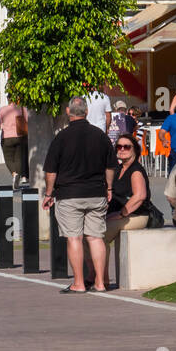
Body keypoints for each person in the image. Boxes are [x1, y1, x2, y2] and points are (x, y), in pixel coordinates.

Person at [42, 96, 115, 294]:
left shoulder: (61, 137)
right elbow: (110, 166)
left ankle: (79, 283)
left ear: (68, 112)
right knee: (95, 237)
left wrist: (49, 194)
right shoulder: (100, 135)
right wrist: (109, 188)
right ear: (87, 112)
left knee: (74, 238)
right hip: (96, 193)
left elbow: (51, 171)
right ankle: (100, 282)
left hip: (69, 194)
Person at [102, 134, 152, 286]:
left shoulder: (135, 170)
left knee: (99, 236)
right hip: (119, 215)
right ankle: (96, 276)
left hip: (137, 215)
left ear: (135, 150)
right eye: (119, 146)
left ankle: (101, 279)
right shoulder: (118, 169)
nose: (122, 149)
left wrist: (121, 213)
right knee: (92, 233)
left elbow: (139, 196)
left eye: (126, 147)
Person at [0, 100, 30, 188]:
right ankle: (17, 176)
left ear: (8, 99)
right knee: (18, 159)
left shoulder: (2, 110)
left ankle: (14, 174)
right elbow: (27, 120)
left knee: (8, 158)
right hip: (20, 136)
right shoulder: (22, 108)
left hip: (7, 137)